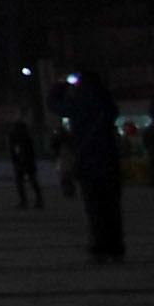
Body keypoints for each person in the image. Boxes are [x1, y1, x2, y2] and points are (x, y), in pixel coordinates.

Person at [57, 72, 124, 261]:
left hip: (88, 162)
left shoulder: (80, 105)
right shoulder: (106, 104)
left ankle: (100, 246)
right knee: (112, 209)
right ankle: (115, 246)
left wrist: (61, 86)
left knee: (94, 209)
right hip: (109, 162)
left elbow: (56, 105)